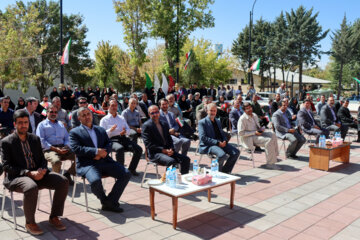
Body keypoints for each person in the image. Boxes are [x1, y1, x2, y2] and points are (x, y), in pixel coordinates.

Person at [1, 109, 68, 235]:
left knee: (63, 181)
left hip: (38, 174)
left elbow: (42, 159)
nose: (23, 125)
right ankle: (30, 222)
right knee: (31, 187)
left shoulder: (35, 139)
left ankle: (54, 217)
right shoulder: (6, 142)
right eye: (20, 123)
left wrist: (42, 170)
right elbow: (6, 166)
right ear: (15, 124)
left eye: (25, 122)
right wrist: (28, 173)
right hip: (16, 177)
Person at [69, 107, 131, 212]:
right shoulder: (75, 132)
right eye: (83, 115)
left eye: (88, 114)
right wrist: (96, 152)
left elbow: (109, 143)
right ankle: (104, 200)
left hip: (104, 160)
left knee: (126, 173)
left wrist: (104, 152)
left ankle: (111, 201)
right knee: (95, 181)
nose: (87, 117)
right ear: (79, 118)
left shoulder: (100, 129)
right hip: (88, 164)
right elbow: (76, 148)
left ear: (92, 115)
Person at [142, 105, 190, 174]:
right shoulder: (146, 126)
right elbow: (148, 144)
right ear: (149, 114)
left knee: (186, 159)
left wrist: (171, 149)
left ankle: (184, 177)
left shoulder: (164, 123)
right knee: (171, 161)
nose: (155, 114)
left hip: (167, 150)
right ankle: (169, 181)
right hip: (155, 153)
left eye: (157, 112)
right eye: (152, 113)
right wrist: (163, 150)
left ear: (159, 112)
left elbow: (169, 139)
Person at [100, 99, 142, 176]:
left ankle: (131, 169)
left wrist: (125, 131)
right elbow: (101, 134)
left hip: (123, 138)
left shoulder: (121, 118)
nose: (114, 107)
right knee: (120, 149)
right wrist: (110, 130)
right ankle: (121, 171)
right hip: (111, 140)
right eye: (112, 105)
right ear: (108, 106)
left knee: (138, 149)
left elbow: (128, 130)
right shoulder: (104, 120)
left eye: (115, 105)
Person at [36, 104, 76, 185]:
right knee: (56, 161)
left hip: (63, 148)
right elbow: (41, 141)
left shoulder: (61, 124)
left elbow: (67, 138)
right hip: (49, 150)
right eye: (51, 112)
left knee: (80, 156)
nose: (53, 113)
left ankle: (67, 174)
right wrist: (55, 149)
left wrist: (66, 146)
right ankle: (55, 180)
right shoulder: (42, 125)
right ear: (47, 113)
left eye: (55, 112)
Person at [198, 103, 240, 174]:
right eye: (211, 110)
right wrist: (217, 143)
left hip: (220, 143)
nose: (213, 112)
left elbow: (222, 133)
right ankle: (216, 172)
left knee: (236, 152)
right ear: (207, 111)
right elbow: (203, 137)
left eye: (214, 111)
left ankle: (225, 171)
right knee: (222, 155)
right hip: (209, 145)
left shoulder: (217, 121)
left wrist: (225, 140)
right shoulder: (202, 122)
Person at [238, 102, 280, 170]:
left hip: (257, 134)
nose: (249, 110)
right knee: (268, 140)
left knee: (273, 134)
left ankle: (274, 157)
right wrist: (254, 132)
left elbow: (257, 126)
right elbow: (241, 133)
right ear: (244, 110)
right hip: (249, 138)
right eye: (247, 109)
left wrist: (261, 129)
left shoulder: (254, 115)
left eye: (250, 108)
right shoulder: (242, 119)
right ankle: (270, 163)